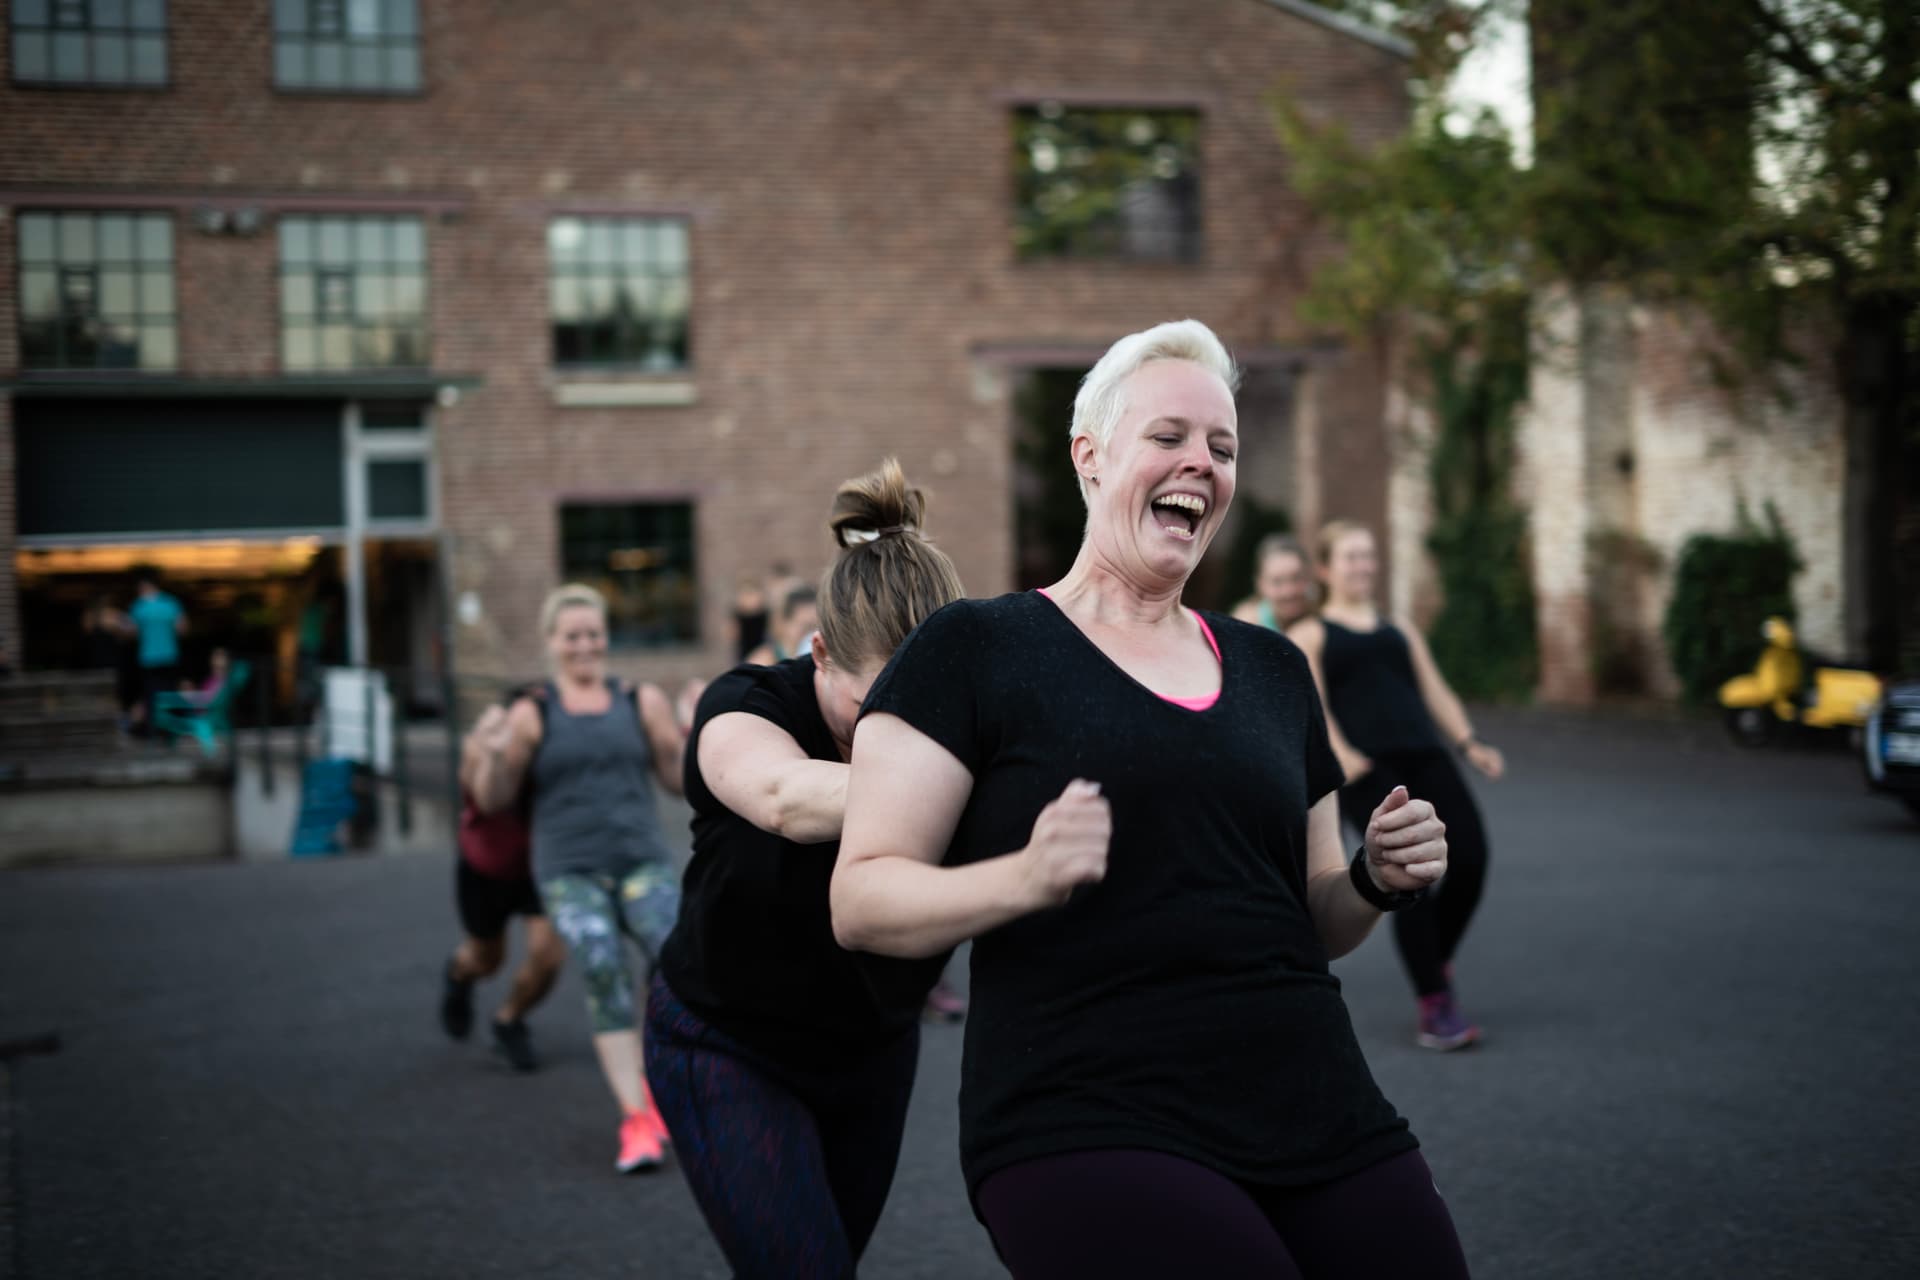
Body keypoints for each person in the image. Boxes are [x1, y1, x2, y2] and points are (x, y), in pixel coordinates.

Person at [831, 320, 1470, 1278]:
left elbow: (1316, 915)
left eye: (1223, 447)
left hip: (1313, 1099)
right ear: (1090, 457)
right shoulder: (978, 649)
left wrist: (1376, 879)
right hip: (1086, 1115)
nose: (1201, 465)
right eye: (1168, 437)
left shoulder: (1273, 669)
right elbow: (862, 900)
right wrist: (1022, 877)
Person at [645, 458, 964, 1278]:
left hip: (873, 1051)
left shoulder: (970, 723)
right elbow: (783, 795)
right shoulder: (744, 704)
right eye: (879, 707)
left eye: (928, 707)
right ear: (820, 654)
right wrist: (953, 783)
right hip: (724, 1042)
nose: (905, 730)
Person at [468, 584, 689, 1173]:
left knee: (672, 953)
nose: (585, 645)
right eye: (573, 636)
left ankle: (650, 1083)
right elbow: (495, 798)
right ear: (551, 643)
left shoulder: (638, 700)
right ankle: (634, 1117)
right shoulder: (533, 711)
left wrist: (683, 738)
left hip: (639, 860)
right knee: (598, 958)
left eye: (593, 633)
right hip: (569, 870)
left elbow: (677, 781)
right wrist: (490, 754)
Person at [1287, 520, 1504, 1053]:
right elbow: (1311, 705)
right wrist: (1342, 755)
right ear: (1325, 569)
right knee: (1412, 880)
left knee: (1471, 858)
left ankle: (1435, 957)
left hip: (1427, 756)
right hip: (1370, 771)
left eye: (1368, 555)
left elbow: (1436, 692)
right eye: (1351, 556)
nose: (1363, 565)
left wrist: (1468, 741)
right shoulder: (1311, 633)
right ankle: (1436, 1004)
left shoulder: (1399, 628)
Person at [439, 684, 568, 1072]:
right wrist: (495, 752)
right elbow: (487, 797)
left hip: (539, 870)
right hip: (486, 869)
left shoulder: (556, 753)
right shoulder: (481, 747)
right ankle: (458, 976)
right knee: (486, 960)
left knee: (548, 955)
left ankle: (509, 1020)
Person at [126, 569, 187, 734]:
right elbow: (182, 629)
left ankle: (154, 730)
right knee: (169, 695)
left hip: (149, 658)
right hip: (169, 656)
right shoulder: (171, 603)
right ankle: (170, 729)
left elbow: (131, 632)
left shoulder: (138, 606)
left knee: (151, 696)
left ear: (143, 586)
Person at [1233, 532, 1315, 632]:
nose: (1289, 591)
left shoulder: (1321, 615)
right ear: (1260, 584)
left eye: (1296, 578)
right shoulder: (1247, 626)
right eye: (1277, 582)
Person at [744, 582, 819, 665]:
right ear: (785, 623)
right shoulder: (763, 664)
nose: (812, 634)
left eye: (817, 627)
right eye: (806, 627)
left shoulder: (821, 664)